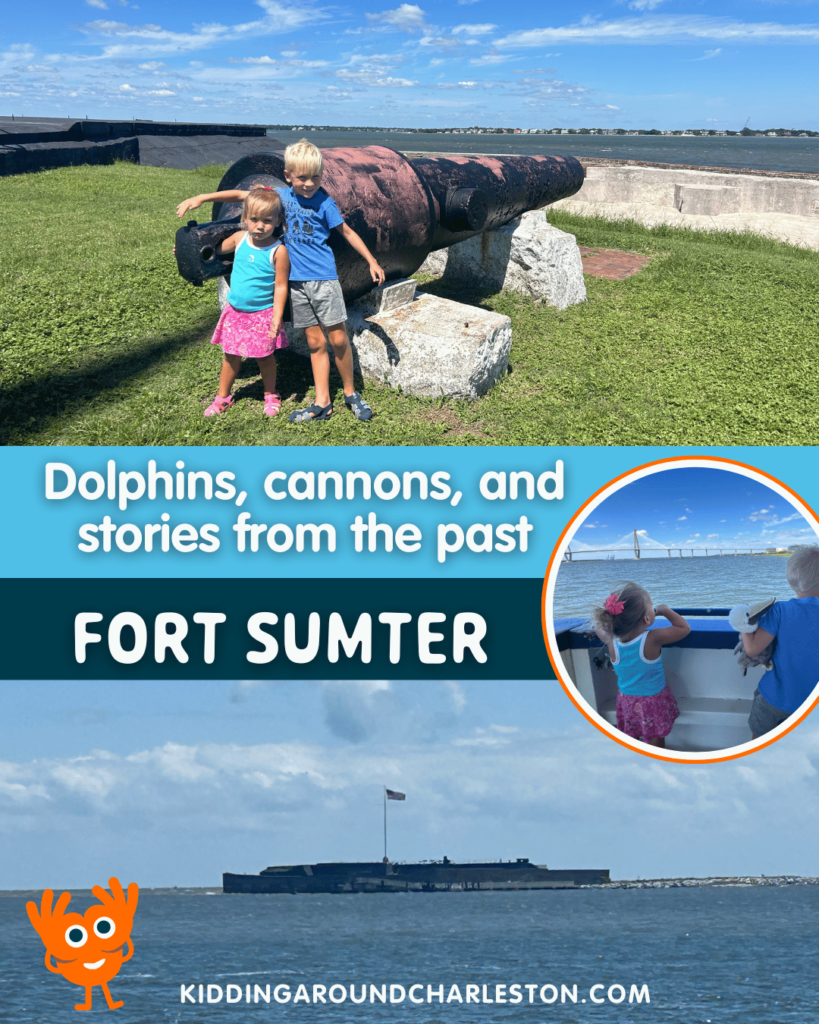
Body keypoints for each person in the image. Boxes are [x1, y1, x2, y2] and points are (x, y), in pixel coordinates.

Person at [177, 139, 385, 424]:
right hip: (298, 284)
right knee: (314, 343)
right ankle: (322, 401)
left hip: (324, 280)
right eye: (302, 177)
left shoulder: (325, 203)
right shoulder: (281, 197)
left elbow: (347, 233)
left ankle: (350, 393)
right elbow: (242, 196)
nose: (309, 183)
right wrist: (202, 198)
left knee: (337, 339)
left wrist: (371, 260)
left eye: (315, 177)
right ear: (288, 176)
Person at [201, 187, 290, 418]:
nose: (260, 226)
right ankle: (223, 397)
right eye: (254, 219)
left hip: (262, 313)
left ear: (277, 221)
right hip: (235, 312)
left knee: (264, 357)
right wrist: (187, 252)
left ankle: (271, 394)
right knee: (230, 355)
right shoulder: (240, 239)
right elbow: (212, 251)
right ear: (245, 219)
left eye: (267, 221)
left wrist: (276, 318)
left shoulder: (278, 251)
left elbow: (281, 287)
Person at [592, 582, 690, 748]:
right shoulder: (652, 638)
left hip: (627, 700)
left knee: (632, 734)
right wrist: (663, 610)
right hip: (652, 701)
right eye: (651, 607)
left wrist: (612, 624)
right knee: (655, 736)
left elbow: (597, 626)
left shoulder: (611, 642)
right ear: (646, 619)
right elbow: (683, 628)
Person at [742, 545, 819, 738]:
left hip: (774, 699)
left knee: (759, 741)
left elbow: (751, 649)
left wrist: (743, 621)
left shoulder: (780, 611)